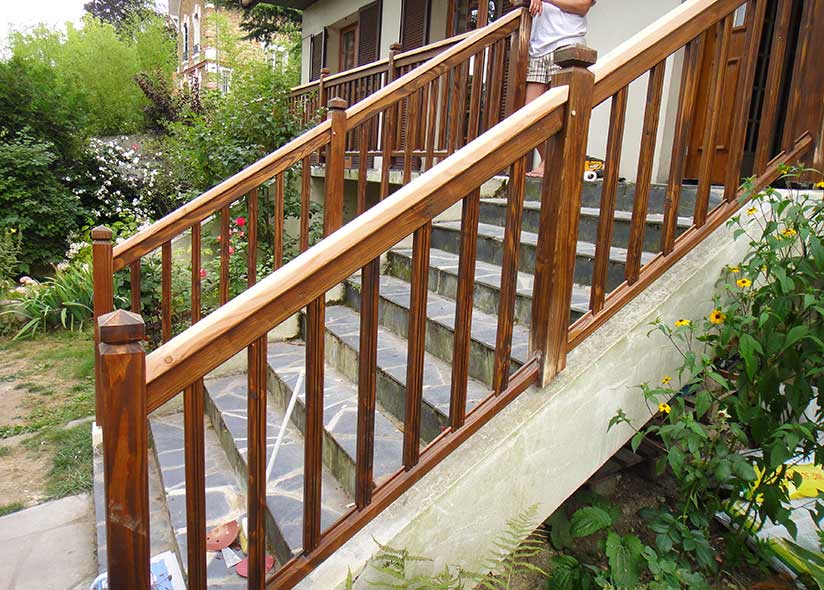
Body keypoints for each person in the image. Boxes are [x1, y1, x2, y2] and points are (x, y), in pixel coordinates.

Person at [526, 0, 596, 178]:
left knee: (561, 111)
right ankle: (549, 159)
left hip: (566, 45)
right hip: (538, 49)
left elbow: (582, 6)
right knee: (530, 114)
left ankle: (549, 162)